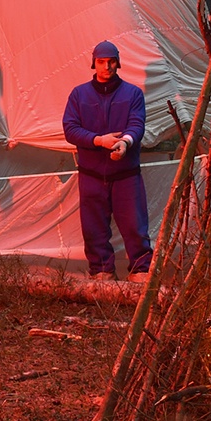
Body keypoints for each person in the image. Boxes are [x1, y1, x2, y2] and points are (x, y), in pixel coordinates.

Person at [62, 40, 153, 281]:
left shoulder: (132, 94)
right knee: (94, 228)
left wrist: (125, 143)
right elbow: (70, 129)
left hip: (126, 174)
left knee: (135, 224)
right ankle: (101, 270)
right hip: (91, 175)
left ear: (118, 63)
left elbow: (137, 124)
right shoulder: (79, 94)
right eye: (101, 62)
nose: (107, 67)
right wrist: (97, 140)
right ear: (94, 63)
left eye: (111, 61)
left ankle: (141, 269)